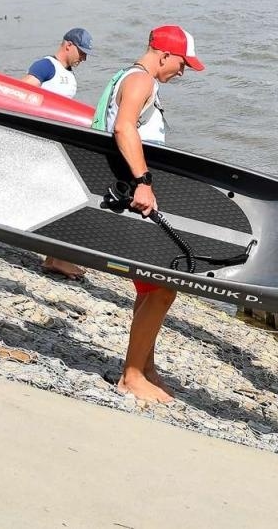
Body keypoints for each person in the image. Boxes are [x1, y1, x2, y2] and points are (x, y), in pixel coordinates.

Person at [97, 24, 206, 403]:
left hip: (131, 194)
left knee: (150, 287)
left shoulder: (130, 77)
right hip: (135, 196)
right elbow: (125, 128)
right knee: (161, 286)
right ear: (163, 54)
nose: (183, 71)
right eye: (182, 63)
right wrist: (143, 182)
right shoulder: (141, 80)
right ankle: (131, 375)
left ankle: (145, 366)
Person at [22, 27, 94, 279]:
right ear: (68, 45)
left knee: (63, 197)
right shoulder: (46, 66)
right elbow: (23, 94)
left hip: (58, 145)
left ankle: (54, 257)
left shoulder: (69, 74)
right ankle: (59, 259)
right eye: (81, 53)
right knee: (66, 197)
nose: (83, 59)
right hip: (41, 144)